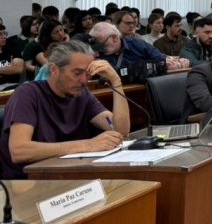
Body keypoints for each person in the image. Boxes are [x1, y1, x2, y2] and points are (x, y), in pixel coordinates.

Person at [0, 40, 129, 179]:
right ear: (54, 70)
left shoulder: (81, 94)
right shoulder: (28, 94)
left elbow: (121, 130)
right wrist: (88, 145)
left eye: (87, 74)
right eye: (77, 73)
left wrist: (116, 81)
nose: (84, 80)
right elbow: (19, 151)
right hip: (27, 183)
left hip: (67, 176)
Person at [92, 21, 188, 73]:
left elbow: (159, 57)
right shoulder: (97, 53)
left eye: (102, 44)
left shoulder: (136, 44)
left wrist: (172, 62)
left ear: (114, 38)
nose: (100, 48)